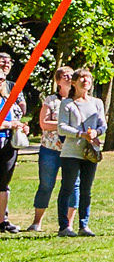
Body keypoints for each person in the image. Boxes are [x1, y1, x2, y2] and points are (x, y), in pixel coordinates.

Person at [53, 68, 104, 237]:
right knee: (67, 187)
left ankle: (84, 225)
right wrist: (80, 134)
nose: (85, 81)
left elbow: (103, 124)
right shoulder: (67, 104)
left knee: (86, 189)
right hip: (71, 152)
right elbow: (61, 127)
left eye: (88, 78)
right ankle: (64, 226)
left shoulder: (97, 103)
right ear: (74, 82)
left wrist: (96, 132)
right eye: (81, 78)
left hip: (90, 151)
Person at [29, 66, 72, 235]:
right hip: (50, 149)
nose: (69, 78)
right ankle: (36, 222)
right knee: (46, 185)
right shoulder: (51, 100)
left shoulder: (78, 100)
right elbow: (44, 124)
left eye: (71, 75)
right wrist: (65, 125)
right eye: (65, 76)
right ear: (58, 81)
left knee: (71, 186)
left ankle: (69, 223)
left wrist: (62, 126)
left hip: (71, 150)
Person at [0, 51, 20, 233]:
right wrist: (8, 123)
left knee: (4, 182)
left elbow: (18, 114)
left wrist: (20, 126)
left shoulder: (10, 94)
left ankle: (2, 221)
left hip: (8, 142)